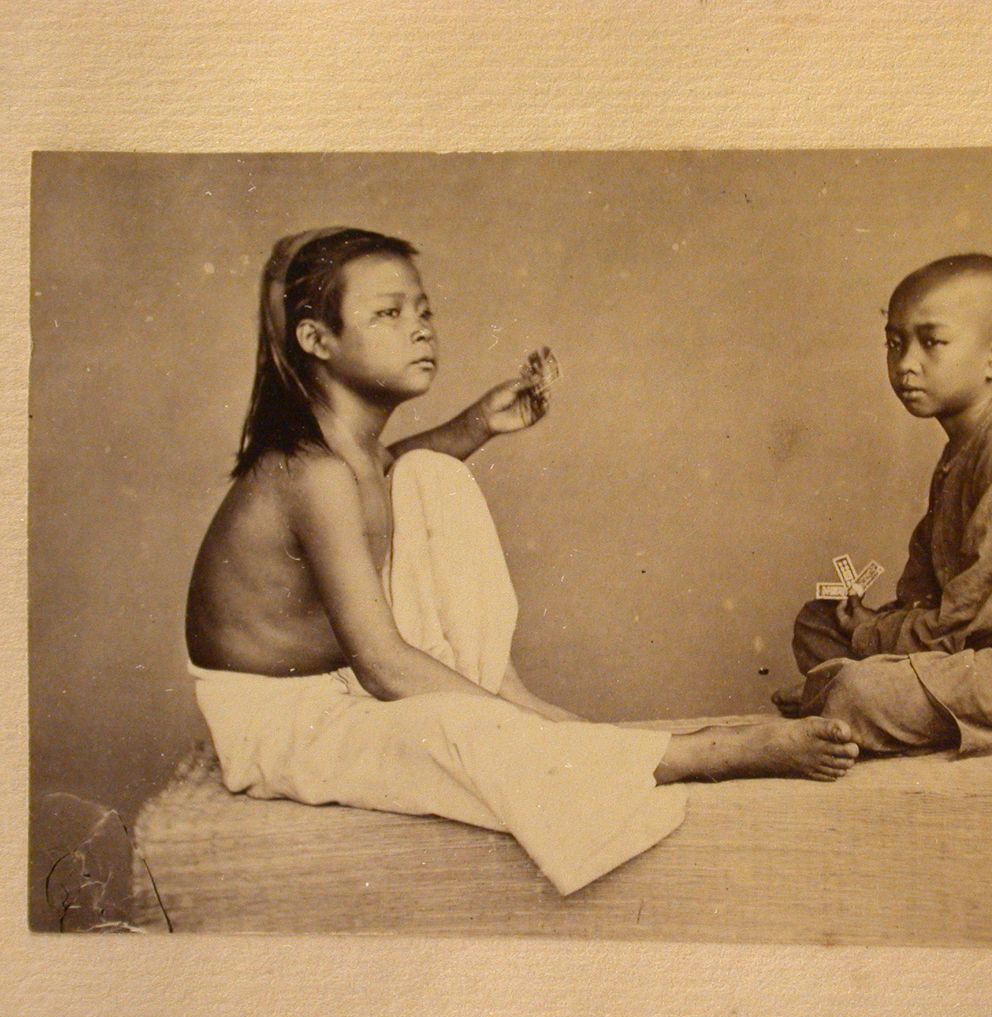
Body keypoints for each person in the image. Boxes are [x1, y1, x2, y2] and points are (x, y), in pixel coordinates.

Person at [185, 227, 858, 895]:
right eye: (388, 314)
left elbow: (388, 474)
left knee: (428, 474)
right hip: (283, 725)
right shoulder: (310, 473)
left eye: (423, 311)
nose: (420, 329)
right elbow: (385, 666)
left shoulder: (349, 458)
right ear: (316, 340)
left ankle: (510, 698)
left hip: (342, 686)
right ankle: (702, 754)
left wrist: (478, 424)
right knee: (446, 734)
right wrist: (510, 730)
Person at [772, 254, 992, 758]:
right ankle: (850, 697)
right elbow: (928, 594)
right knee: (817, 623)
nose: (905, 364)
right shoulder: (960, 451)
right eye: (895, 344)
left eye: (931, 342)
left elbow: (980, 621)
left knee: (858, 692)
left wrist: (875, 637)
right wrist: (871, 623)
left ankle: (845, 697)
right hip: (979, 655)